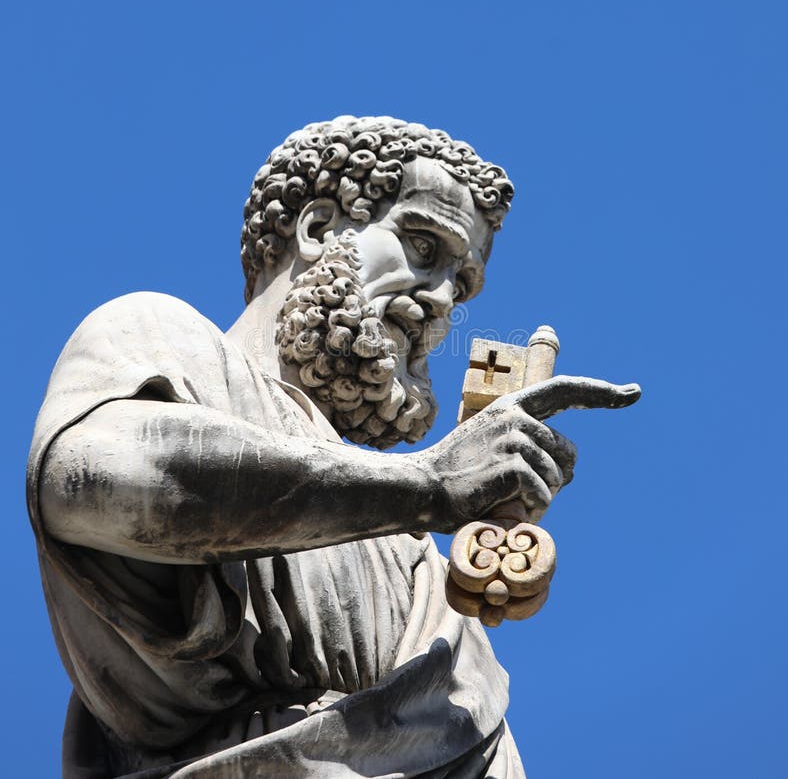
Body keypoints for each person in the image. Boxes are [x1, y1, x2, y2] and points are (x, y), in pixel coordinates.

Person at [28, 116, 639, 778]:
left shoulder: (420, 565)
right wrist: (428, 486)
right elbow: (82, 480)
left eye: (461, 285)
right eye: (423, 247)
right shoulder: (165, 342)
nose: (441, 301)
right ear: (318, 230)